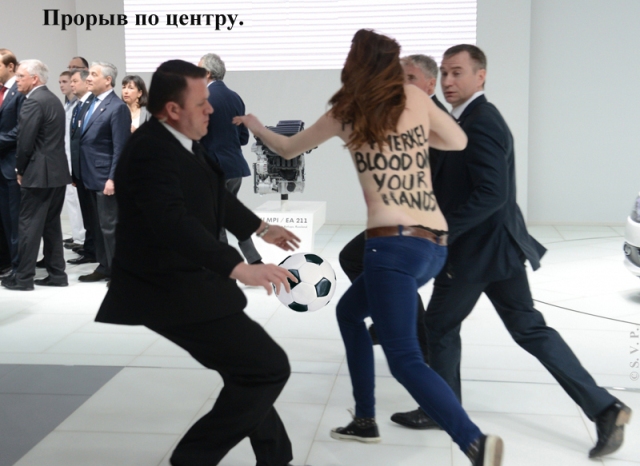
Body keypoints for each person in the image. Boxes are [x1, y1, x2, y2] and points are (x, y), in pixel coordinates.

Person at [234, 29, 504, 466]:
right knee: (348, 313)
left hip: (391, 248)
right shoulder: (414, 97)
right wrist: (413, 137)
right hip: (434, 247)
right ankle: (364, 420)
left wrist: (254, 125)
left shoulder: (346, 111)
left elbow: (285, 148)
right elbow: (458, 141)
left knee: (404, 359)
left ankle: (474, 441)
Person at [390, 44, 632, 459]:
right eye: (444, 73)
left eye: (457, 72)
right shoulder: (468, 118)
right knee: (528, 328)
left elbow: (492, 193)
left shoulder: (481, 121)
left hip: (476, 252)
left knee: (440, 326)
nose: (448, 81)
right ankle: (605, 409)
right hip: (499, 249)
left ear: (480, 76)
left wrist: (442, 230)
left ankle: (441, 410)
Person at [96, 59, 301, 466]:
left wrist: (261, 227)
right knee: (266, 367)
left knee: (248, 371)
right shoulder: (150, 150)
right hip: (168, 290)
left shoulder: (181, 141)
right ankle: (192, 459)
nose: (211, 109)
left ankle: (276, 458)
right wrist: (239, 267)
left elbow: (213, 195)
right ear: (173, 109)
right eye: (202, 103)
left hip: (191, 282)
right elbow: (172, 222)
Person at [339, 53, 448, 366]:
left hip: (420, 225)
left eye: (409, 79)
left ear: (430, 85)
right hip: (405, 221)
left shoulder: (431, 120)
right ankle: (389, 320)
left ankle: (417, 344)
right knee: (357, 260)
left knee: (387, 271)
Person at [1, 60, 71, 290]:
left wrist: (20, 170)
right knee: (51, 226)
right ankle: (57, 274)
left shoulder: (33, 102)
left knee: (28, 226)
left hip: (38, 174)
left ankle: (23, 278)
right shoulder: (52, 99)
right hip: (57, 173)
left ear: (34, 79)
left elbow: (25, 142)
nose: (17, 80)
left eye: (21, 76)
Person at [198, 53, 262, 265]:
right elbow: (243, 137)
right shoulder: (235, 98)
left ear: (207, 73)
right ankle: (254, 261)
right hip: (235, 167)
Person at [79, 61, 131, 282]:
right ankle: (104, 266)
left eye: (93, 74)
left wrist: (113, 179)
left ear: (108, 80)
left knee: (110, 227)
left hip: (105, 178)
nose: (88, 78)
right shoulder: (90, 103)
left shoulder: (117, 107)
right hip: (88, 176)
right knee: (98, 227)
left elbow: (121, 147)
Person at [66, 68, 97, 266]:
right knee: (87, 214)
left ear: (86, 83)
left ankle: (95, 250)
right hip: (80, 170)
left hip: (91, 170)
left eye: (75, 81)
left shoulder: (91, 104)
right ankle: (90, 248)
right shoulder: (78, 105)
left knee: (94, 216)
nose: (71, 84)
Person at [0, 49, 24, 277]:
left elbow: (21, 128)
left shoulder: (19, 91)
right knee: (4, 220)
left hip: (12, 164)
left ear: (10, 67)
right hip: (1, 165)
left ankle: (20, 266)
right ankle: (8, 262)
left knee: (15, 220)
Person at [58, 70, 86, 249]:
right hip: (65, 158)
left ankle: (82, 238)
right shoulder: (67, 105)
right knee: (70, 199)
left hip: (75, 159)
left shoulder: (79, 105)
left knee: (78, 200)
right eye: (60, 82)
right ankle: (77, 236)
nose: (63, 85)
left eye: (66, 81)